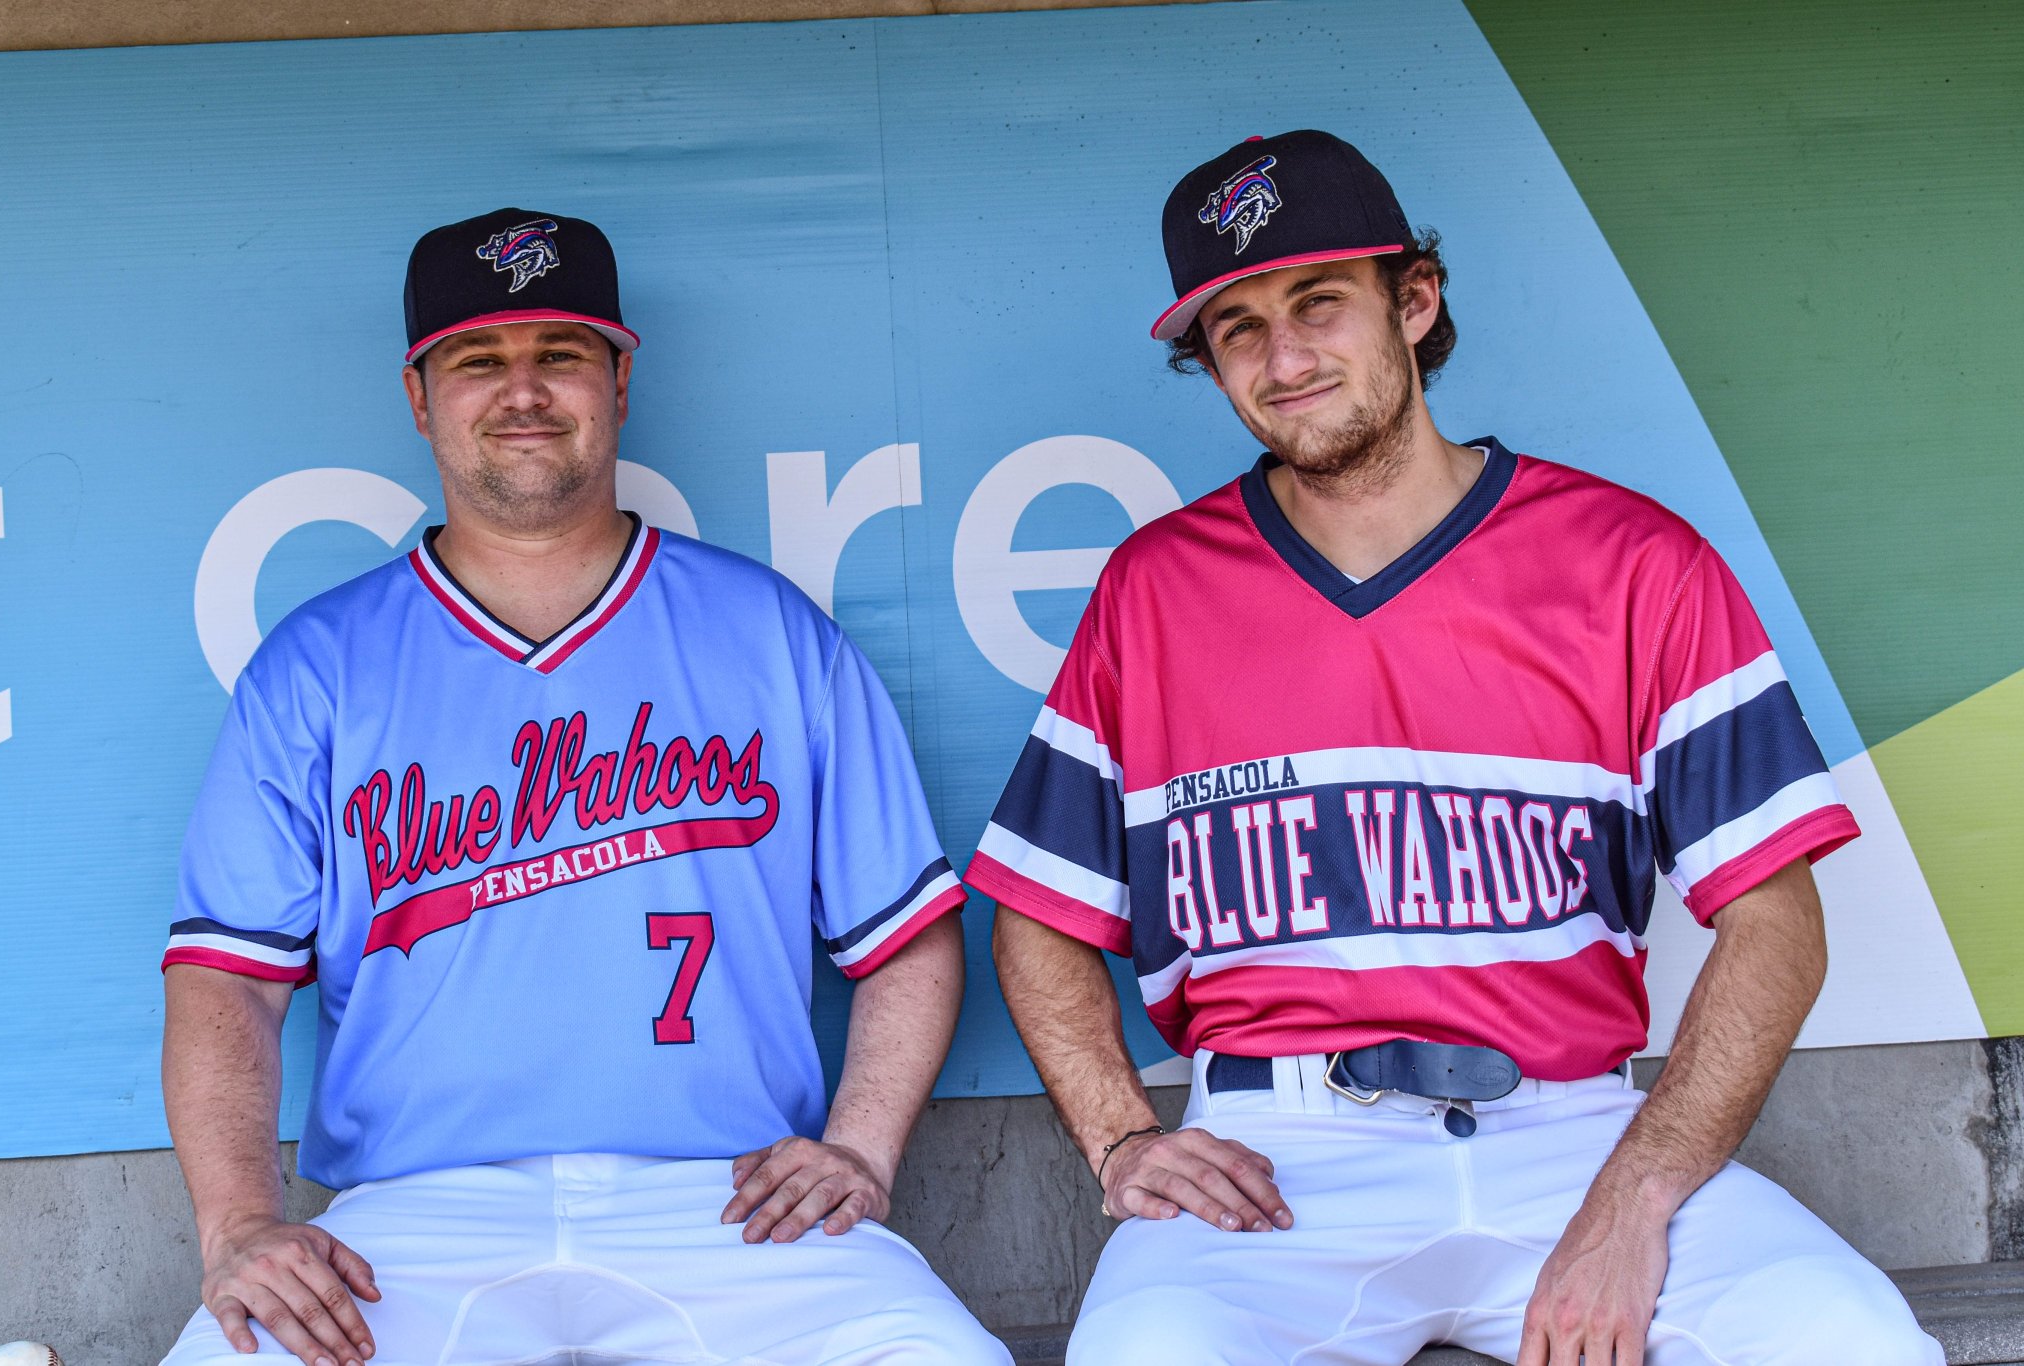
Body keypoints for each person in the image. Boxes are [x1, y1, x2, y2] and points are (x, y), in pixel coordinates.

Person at [967, 131, 1940, 1365]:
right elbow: (1037, 909)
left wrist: (1634, 1198)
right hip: (1281, 1159)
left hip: (1577, 1132)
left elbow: (1773, 921)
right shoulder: (1152, 590)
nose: (1284, 358)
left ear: (1412, 303)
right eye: (1237, 329)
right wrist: (1121, 1138)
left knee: (1850, 1340)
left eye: (1318, 303)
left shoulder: (1633, 562)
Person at [159, 208, 1007, 1366]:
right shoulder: (318, 666)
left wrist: (858, 1149)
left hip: (725, 1204)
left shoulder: (769, 634)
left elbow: (903, 936)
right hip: (411, 1219)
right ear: (418, 395)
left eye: (558, 354)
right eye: (477, 361)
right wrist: (241, 1225)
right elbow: (227, 984)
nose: (522, 390)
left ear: (617, 378)